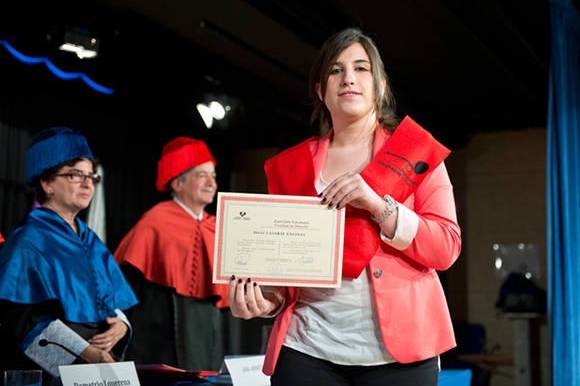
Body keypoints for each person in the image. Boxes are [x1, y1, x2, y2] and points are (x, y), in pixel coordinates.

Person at [228, 27, 462, 385]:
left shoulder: (417, 154)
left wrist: (377, 205)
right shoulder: (291, 166)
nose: (348, 78)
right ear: (320, 90)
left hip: (400, 356)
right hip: (306, 349)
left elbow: (445, 249)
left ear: (380, 85)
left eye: (361, 68)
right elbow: (284, 269)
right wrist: (268, 300)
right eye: (335, 70)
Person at [0, 127, 138, 384]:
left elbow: (108, 301)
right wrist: (86, 355)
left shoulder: (90, 239)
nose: (88, 183)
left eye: (91, 176)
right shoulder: (29, 238)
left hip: (97, 367)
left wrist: (122, 325)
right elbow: (24, 321)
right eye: (76, 174)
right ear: (47, 183)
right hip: (54, 374)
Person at [114, 137, 229, 371]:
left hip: (210, 331)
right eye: (202, 175)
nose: (211, 183)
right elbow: (125, 284)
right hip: (160, 334)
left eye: (213, 175)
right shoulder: (154, 221)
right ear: (177, 183)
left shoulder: (218, 226)